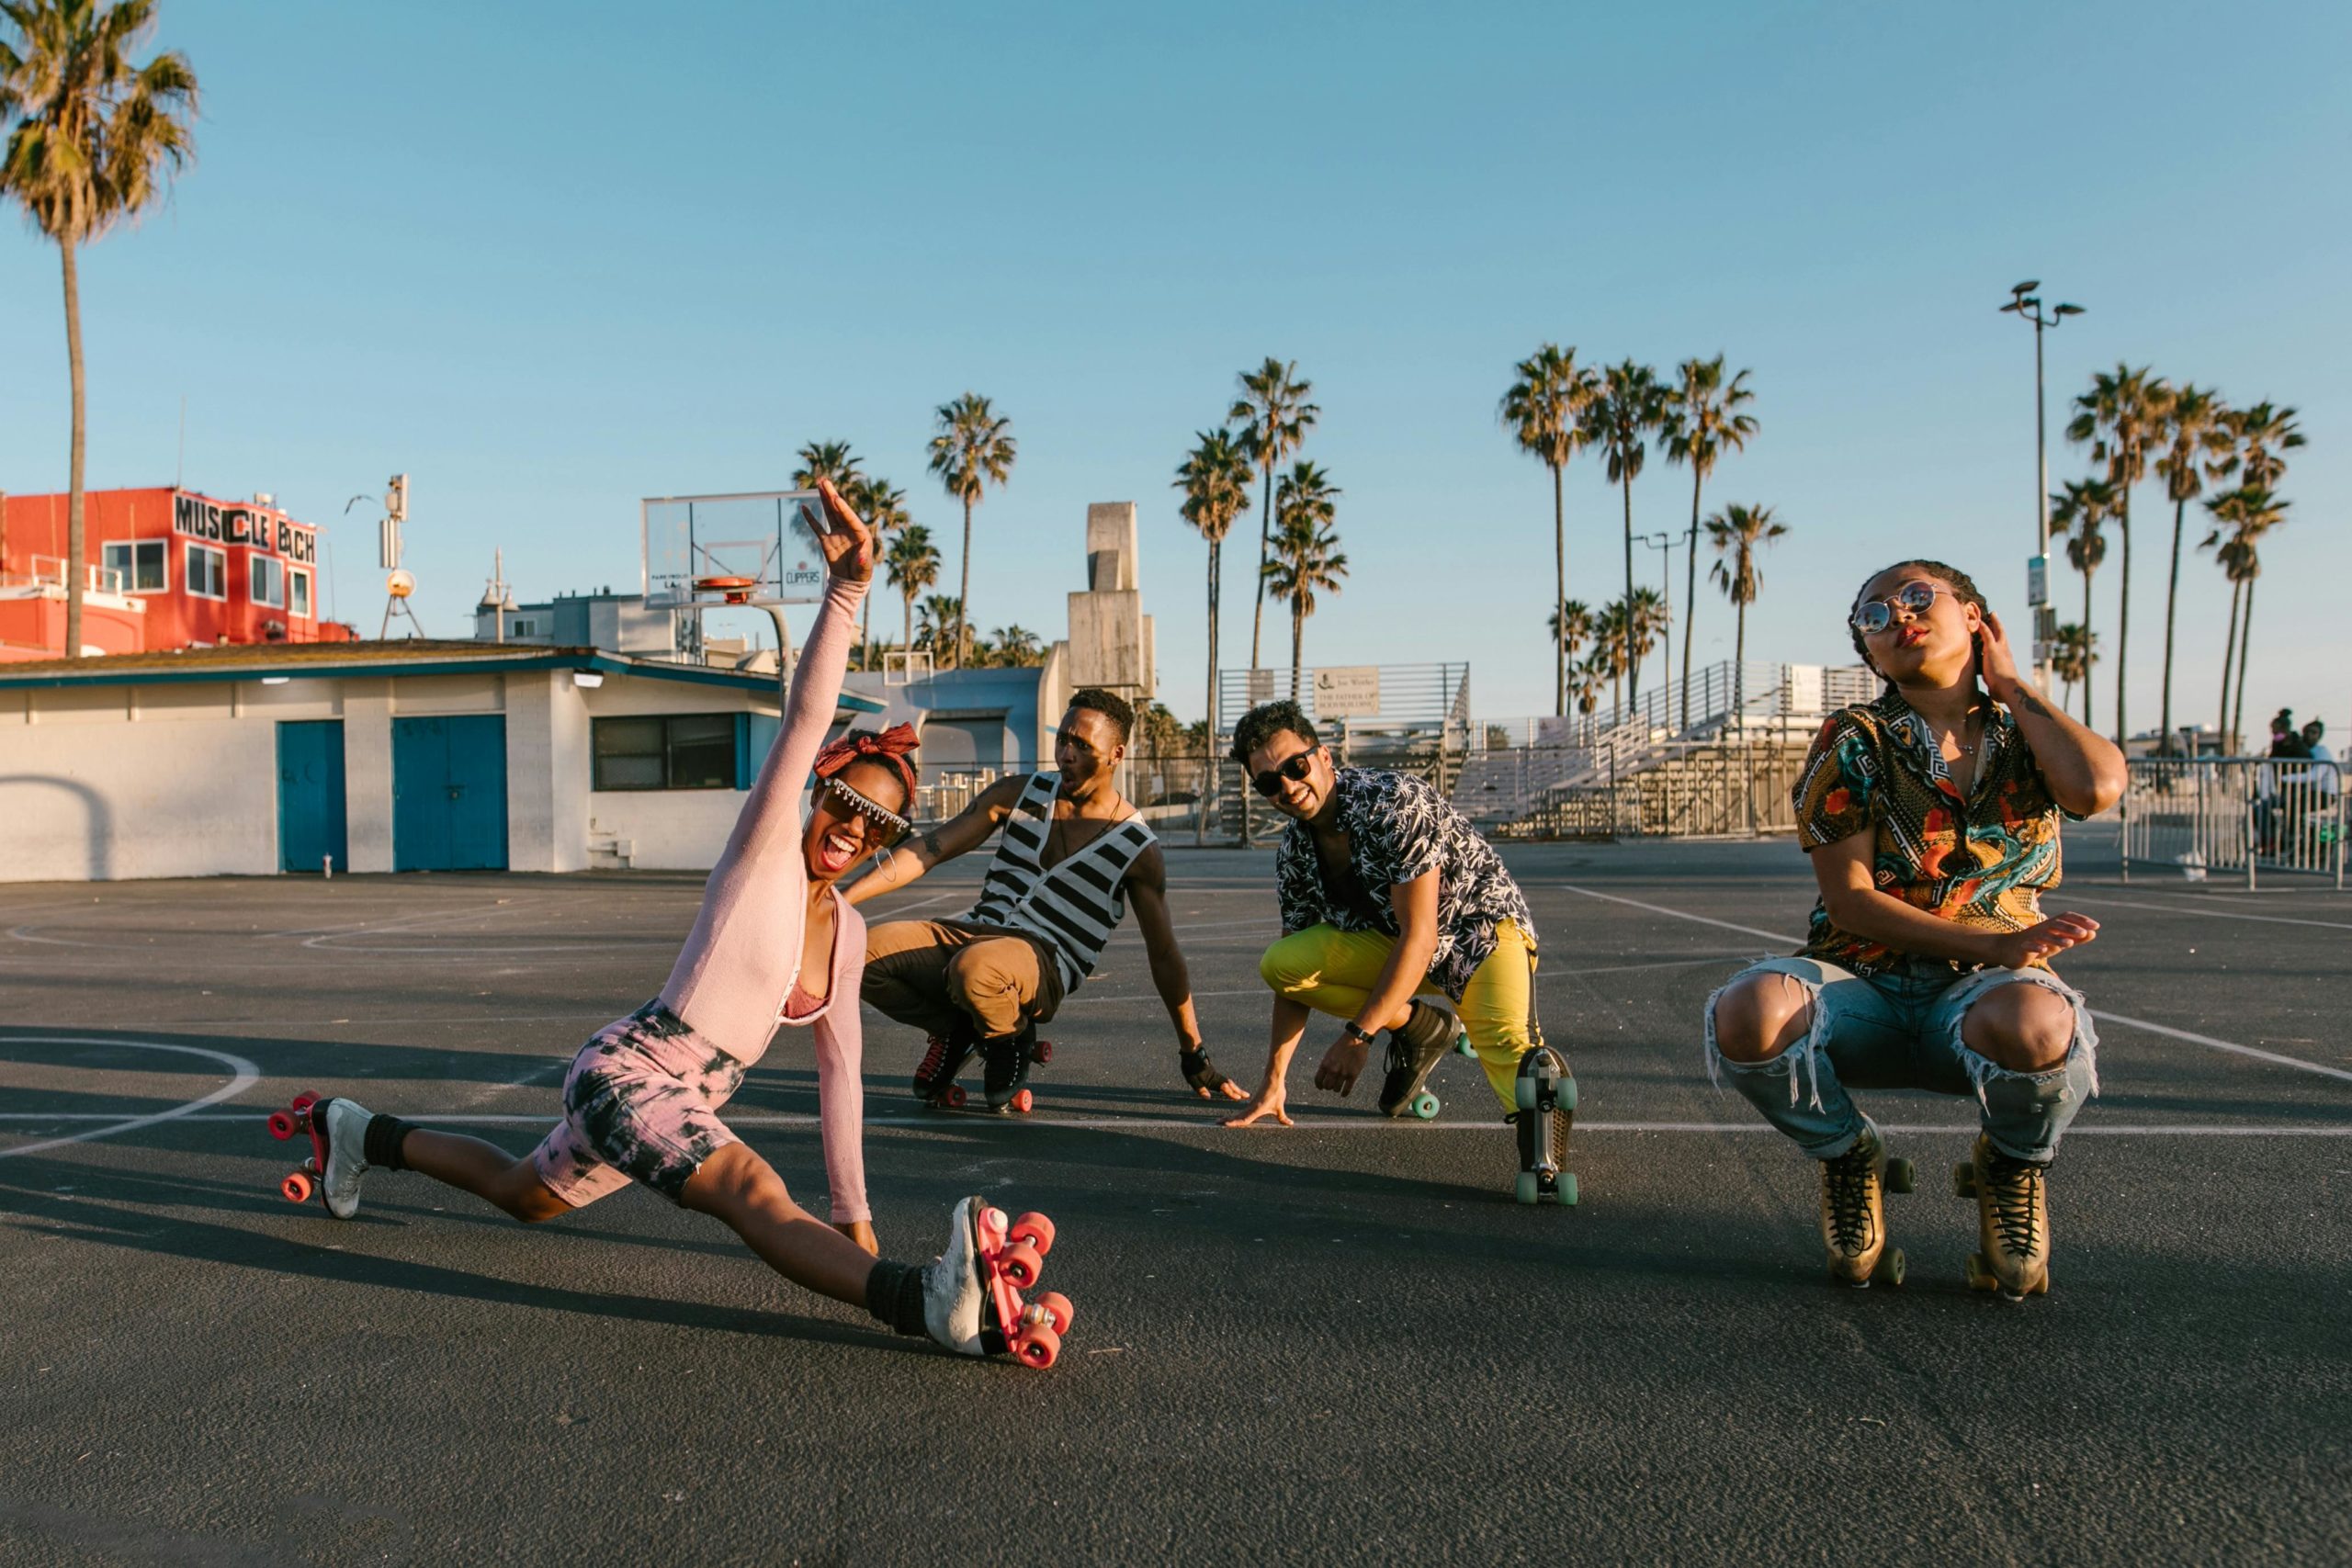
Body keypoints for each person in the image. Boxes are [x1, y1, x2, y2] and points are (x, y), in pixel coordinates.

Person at [291, 479, 1038, 1361]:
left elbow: (842, 1079)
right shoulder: (761, 851)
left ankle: (353, 1129)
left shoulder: (849, 931)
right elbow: (803, 718)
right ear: (817, 794)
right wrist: (845, 593)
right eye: (843, 802)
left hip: (686, 1097)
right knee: (751, 1189)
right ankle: (925, 1305)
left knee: (525, 1192)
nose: (853, 830)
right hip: (631, 1069)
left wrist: (855, 1219)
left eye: (878, 823)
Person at [1704, 559, 2125, 1300]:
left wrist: (2013, 685)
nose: (1897, 615)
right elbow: (1851, 903)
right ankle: (1848, 1155)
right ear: (1870, 654)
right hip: (1866, 985)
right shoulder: (1855, 740)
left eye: (1920, 597)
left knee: (2036, 1020)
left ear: (1976, 618)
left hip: (1982, 1000)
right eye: (1874, 615)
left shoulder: (2024, 732)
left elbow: (2095, 786)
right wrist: (1993, 943)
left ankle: (2011, 1166)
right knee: (1749, 1012)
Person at [1222, 699, 1568, 1201]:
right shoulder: (1295, 851)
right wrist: (1274, 1081)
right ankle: (1420, 1027)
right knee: (1285, 964)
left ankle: (1542, 1149)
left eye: (1295, 767)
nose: (1289, 788)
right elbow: (1295, 973)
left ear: (1323, 757)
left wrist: (1359, 1036)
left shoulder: (1392, 802)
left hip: (1477, 931)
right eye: (1269, 783)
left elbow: (1422, 936)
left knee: (1511, 1049)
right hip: (1392, 942)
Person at [848, 686, 1246, 1110]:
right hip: (974, 930)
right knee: (860, 956)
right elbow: (932, 848)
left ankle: (1010, 1038)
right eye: (1063, 740)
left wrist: (1193, 1053)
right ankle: (958, 1030)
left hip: (1044, 961)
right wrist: (842, 897)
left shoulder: (1136, 848)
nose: (1066, 754)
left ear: (1116, 754)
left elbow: (1164, 955)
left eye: (1083, 745)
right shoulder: (1018, 794)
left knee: (976, 969)